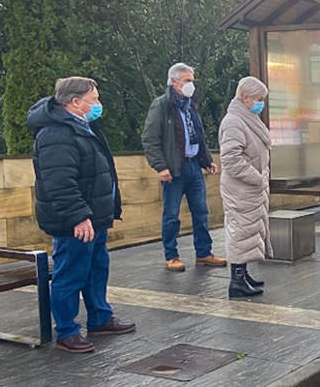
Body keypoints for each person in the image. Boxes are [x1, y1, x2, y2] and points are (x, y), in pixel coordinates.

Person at [27, 77, 135, 353]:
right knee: (70, 273)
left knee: (96, 269)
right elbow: (59, 182)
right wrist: (78, 216)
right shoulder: (56, 134)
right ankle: (67, 331)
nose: (98, 105)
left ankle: (100, 317)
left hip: (94, 217)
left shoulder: (83, 127)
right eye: (94, 99)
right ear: (75, 102)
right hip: (75, 221)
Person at [141, 63, 226, 272]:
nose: (191, 85)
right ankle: (171, 255)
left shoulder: (190, 106)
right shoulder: (161, 105)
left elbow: (197, 135)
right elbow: (150, 139)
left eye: (192, 81)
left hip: (193, 166)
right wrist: (160, 167)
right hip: (174, 170)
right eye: (187, 81)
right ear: (174, 81)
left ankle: (204, 253)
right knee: (171, 214)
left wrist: (206, 160)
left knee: (201, 211)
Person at [218, 76, 272, 298]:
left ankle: (243, 274)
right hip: (241, 188)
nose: (261, 103)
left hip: (250, 188)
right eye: (258, 99)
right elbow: (231, 159)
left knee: (248, 231)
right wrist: (257, 178)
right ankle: (237, 280)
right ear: (246, 98)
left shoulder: (247, 118)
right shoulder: (233, 121)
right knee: (240, 231)